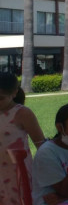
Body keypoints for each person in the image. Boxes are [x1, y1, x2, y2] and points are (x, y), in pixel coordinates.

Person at [0, 72, 45, 205]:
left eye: (0, 98)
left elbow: (41, 145)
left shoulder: (22, 113)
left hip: (18, 173)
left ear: (14, 93)